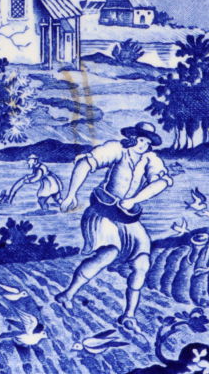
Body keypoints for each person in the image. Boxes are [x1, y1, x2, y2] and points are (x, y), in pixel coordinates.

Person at [57, 122, 173, 323]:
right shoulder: (116, 149)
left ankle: (129, 315)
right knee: (109, 253)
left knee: (142, 263)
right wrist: (71, 194)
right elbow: (85, 164)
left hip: (127, 216)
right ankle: (67, 294)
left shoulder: (150, 159)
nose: (143, 145)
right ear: (132, 137)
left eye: (147, 142)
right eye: (140, 139)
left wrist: (134, 200)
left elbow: (161, 182)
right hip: (103, 211)